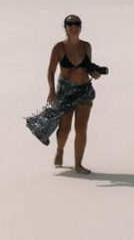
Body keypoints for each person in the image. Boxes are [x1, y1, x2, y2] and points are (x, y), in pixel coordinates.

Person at [45, 14, 101, 174]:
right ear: (65, 28)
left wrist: (95, 74)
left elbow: (88, 68)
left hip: (85, 91)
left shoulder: (86, 46)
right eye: (70, 24)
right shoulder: (59, 48)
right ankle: (60, 149)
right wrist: (51, 90)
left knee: (81, 129)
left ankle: (78, 164)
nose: (74, 26)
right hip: (65, 92)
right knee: (64, 129)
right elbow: (50, 70)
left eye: (77, 23)